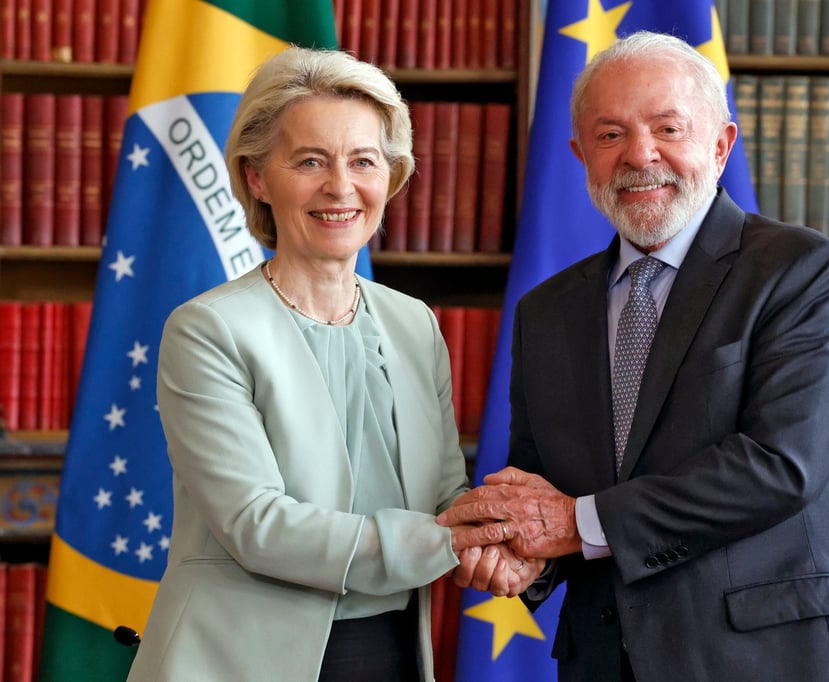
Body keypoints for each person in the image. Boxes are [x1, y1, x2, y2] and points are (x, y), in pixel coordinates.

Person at [438, 31, 829, 681]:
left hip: (770, 658)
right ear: (580, 156)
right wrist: (520, 556)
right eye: (610, 135)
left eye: (668, 128)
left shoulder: (801, 271)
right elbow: (542, 491)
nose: (639, 154)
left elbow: (781, 465)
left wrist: (572, 522)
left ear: (720, 145)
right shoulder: (546, 312)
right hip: (606, 659)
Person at [126, 47, 533, 682]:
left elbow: (443, 495)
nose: (340, 187)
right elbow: (257, 525)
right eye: (310, 161)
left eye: (363, 161)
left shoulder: (414, 324)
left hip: (396, 650)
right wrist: (452, 541)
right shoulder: (209, 329)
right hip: (244, 659)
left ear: (389, 177)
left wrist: (500, 531)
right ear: (258, 177)